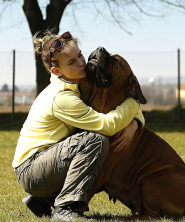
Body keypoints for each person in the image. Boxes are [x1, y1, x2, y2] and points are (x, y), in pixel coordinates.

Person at [12, 30, 145, 222]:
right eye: (71, 62)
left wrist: (135, 122)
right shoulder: (61, 97)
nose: (81, 62)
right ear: (56, 71)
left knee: (90, 139)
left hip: (45, 161)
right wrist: (134, 103)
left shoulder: (77, 81)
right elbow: (106, 125)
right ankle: (65, 208)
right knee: (94, 140)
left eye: (80, 55)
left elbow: (117, 102)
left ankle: (43, 200)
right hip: (31, 169)